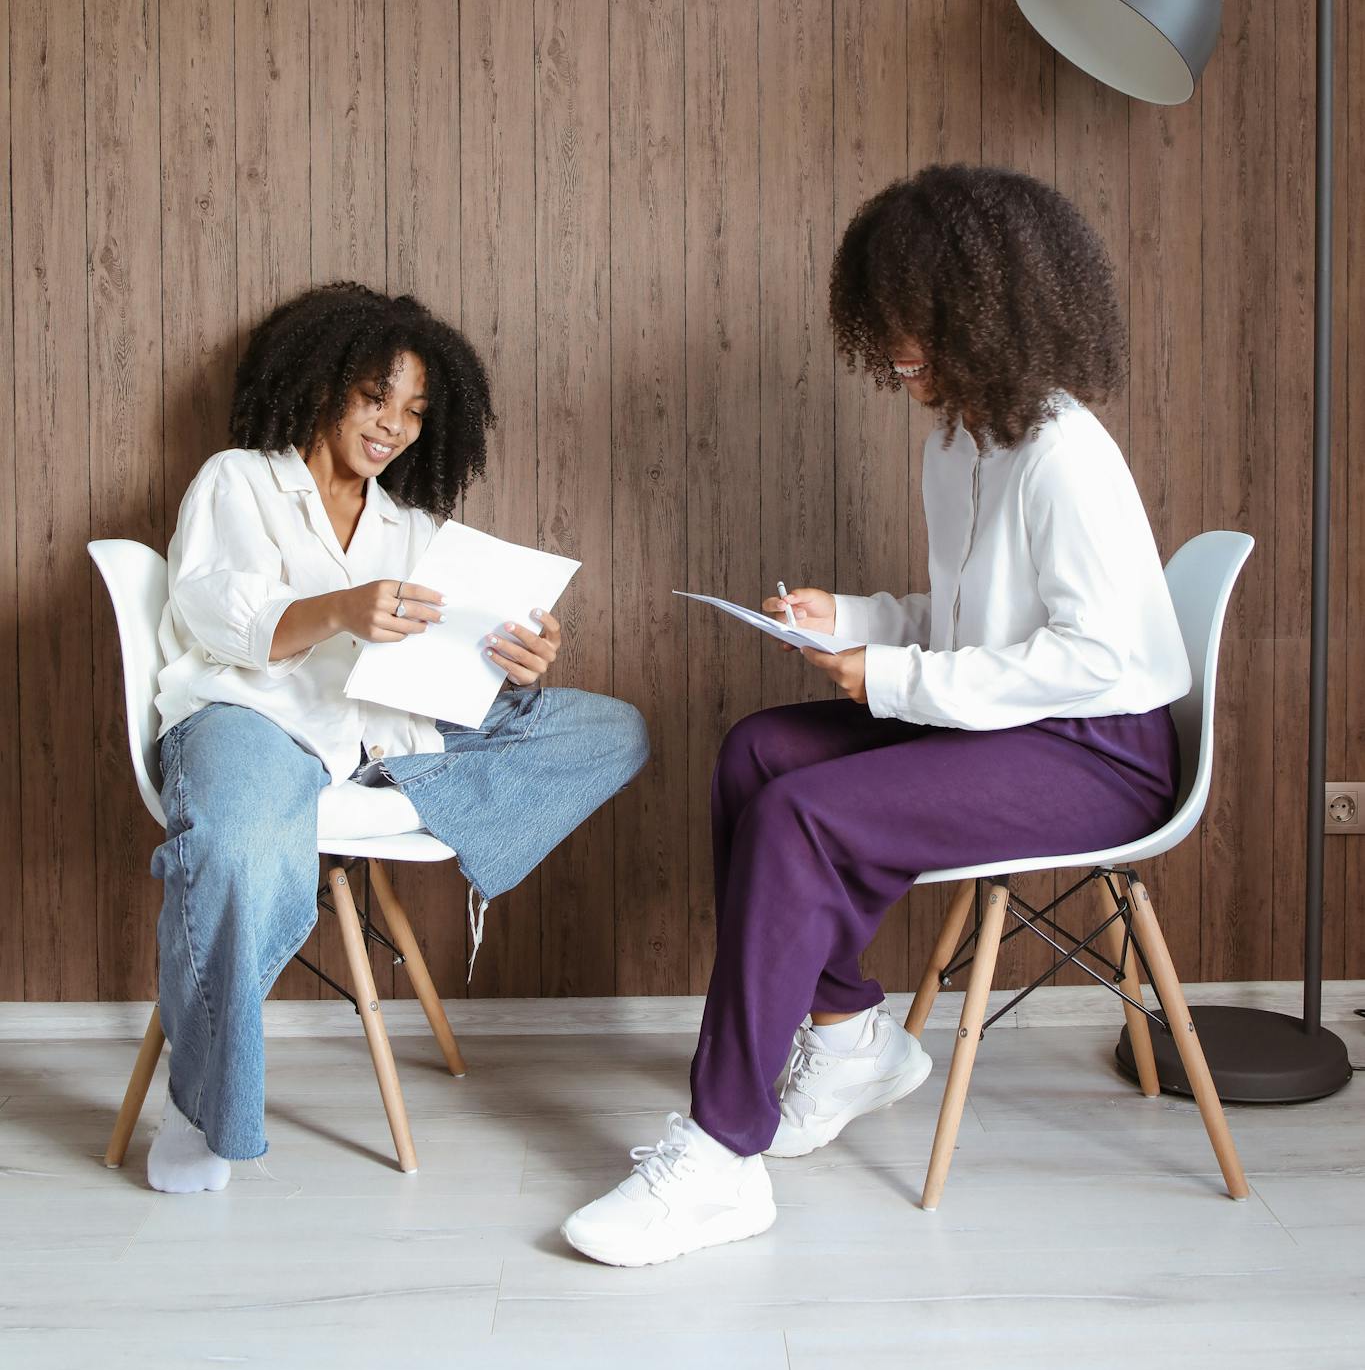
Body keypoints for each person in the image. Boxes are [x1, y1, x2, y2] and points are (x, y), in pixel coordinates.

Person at [562, 163, 1191, 1267]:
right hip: (1012, 722)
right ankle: (849, 1035)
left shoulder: (1063, 451)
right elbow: (968, 620)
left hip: (1102, 753)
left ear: (982, 315)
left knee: (804, 817)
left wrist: (890, 678)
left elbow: (1101, 657)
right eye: (890, 333)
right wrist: (847, 617)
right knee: (758, 753)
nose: (899, 357)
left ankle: (718, 1154)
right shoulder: (958, 443)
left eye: (914, 332)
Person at [149, 282, 649, 1193]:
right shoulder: (239, 479)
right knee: (234, 845)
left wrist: (517, 659)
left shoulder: (411, 529)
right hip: (253, 718)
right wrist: (337, 609)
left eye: (414, 411)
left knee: (611, 730)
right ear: (324, 383)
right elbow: (210, 610)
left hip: (387, 732)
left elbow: (451, 658)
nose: (392, 426)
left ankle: (411, 787)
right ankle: (203, 1106)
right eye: (375, 398)